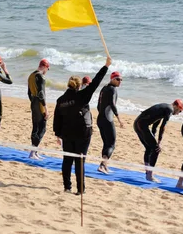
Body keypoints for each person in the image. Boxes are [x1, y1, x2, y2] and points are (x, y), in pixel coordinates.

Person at [53, 57, 111, 195]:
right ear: (79, 86)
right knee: (80, 161)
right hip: (82, 134)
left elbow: (57, 119)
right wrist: (106, 66)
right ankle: (80, 190)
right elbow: (96, 82)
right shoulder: (82, 96)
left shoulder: (60, 100)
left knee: (67, 160)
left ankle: (67, 187)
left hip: (67, 134)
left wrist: (57, 134)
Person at [134, 99, 183, 183]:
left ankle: (148, 172)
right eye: (180, 111)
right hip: (141, 125)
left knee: (149, 148)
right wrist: (159, 141)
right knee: (156, 149)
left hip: (137, 123)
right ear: (176, 107)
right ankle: (149, 175)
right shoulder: (170, 109)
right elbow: (162, 127)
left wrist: (154, 138)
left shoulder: (164, 107)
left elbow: (155, 125)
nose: (178, 113)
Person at [96, 71, 124, 174]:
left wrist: (102, 115)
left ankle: (104, 166)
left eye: (121, 79)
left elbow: (98, 105)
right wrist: (118, 118)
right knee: (112, 144)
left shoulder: (104, 88)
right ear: (112, 79)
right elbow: (112, 104)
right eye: (117, 79)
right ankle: (103, 165)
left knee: (106, 143)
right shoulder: (112, 89)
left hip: (100, 119)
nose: (119, 81)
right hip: (108, 119)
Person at [28, 59, 50, 159]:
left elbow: (28, 93)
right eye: (47, 69)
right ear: (45, 67)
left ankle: (34, 152)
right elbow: (41, 94)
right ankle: (33, 152)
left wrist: (33, 102)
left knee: (35, 127)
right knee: (42, 128)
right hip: (39, 104)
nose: (46, 71)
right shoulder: (41, 77)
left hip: (33, 102)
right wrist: (46, 109)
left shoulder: (31, 76)